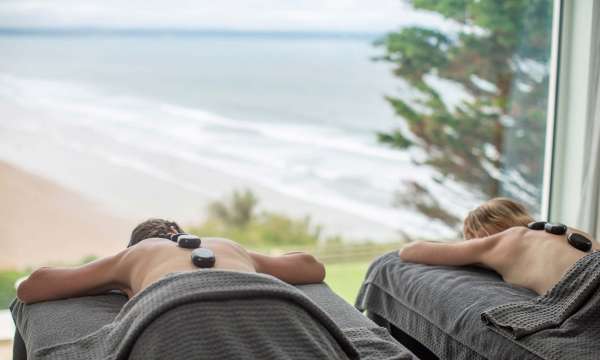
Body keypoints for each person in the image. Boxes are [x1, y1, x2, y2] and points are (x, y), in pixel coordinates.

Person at [17, 218, 326, 304]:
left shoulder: (135, 255)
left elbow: (32, 287)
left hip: (176, 315)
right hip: (270, 304)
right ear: (180, 233)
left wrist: (108, 274)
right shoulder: (228, 246)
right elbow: (311, 266)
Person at [399, 197, 599, 295]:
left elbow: (409, 251)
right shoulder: (566, 231)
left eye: (471, 239)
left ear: (480, 234)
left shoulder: (500, 241)